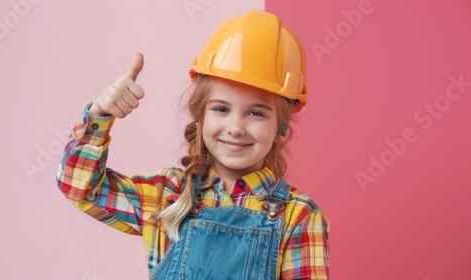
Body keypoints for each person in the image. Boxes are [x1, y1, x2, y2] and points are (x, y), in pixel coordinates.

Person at [57, 9, 330, 279]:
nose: (235, 128)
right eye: (221, 109)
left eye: (256, 113)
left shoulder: (298, 215)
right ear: (199, 116)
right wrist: (100, 116)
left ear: (281, 130)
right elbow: (80, 187)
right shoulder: (168, 197)